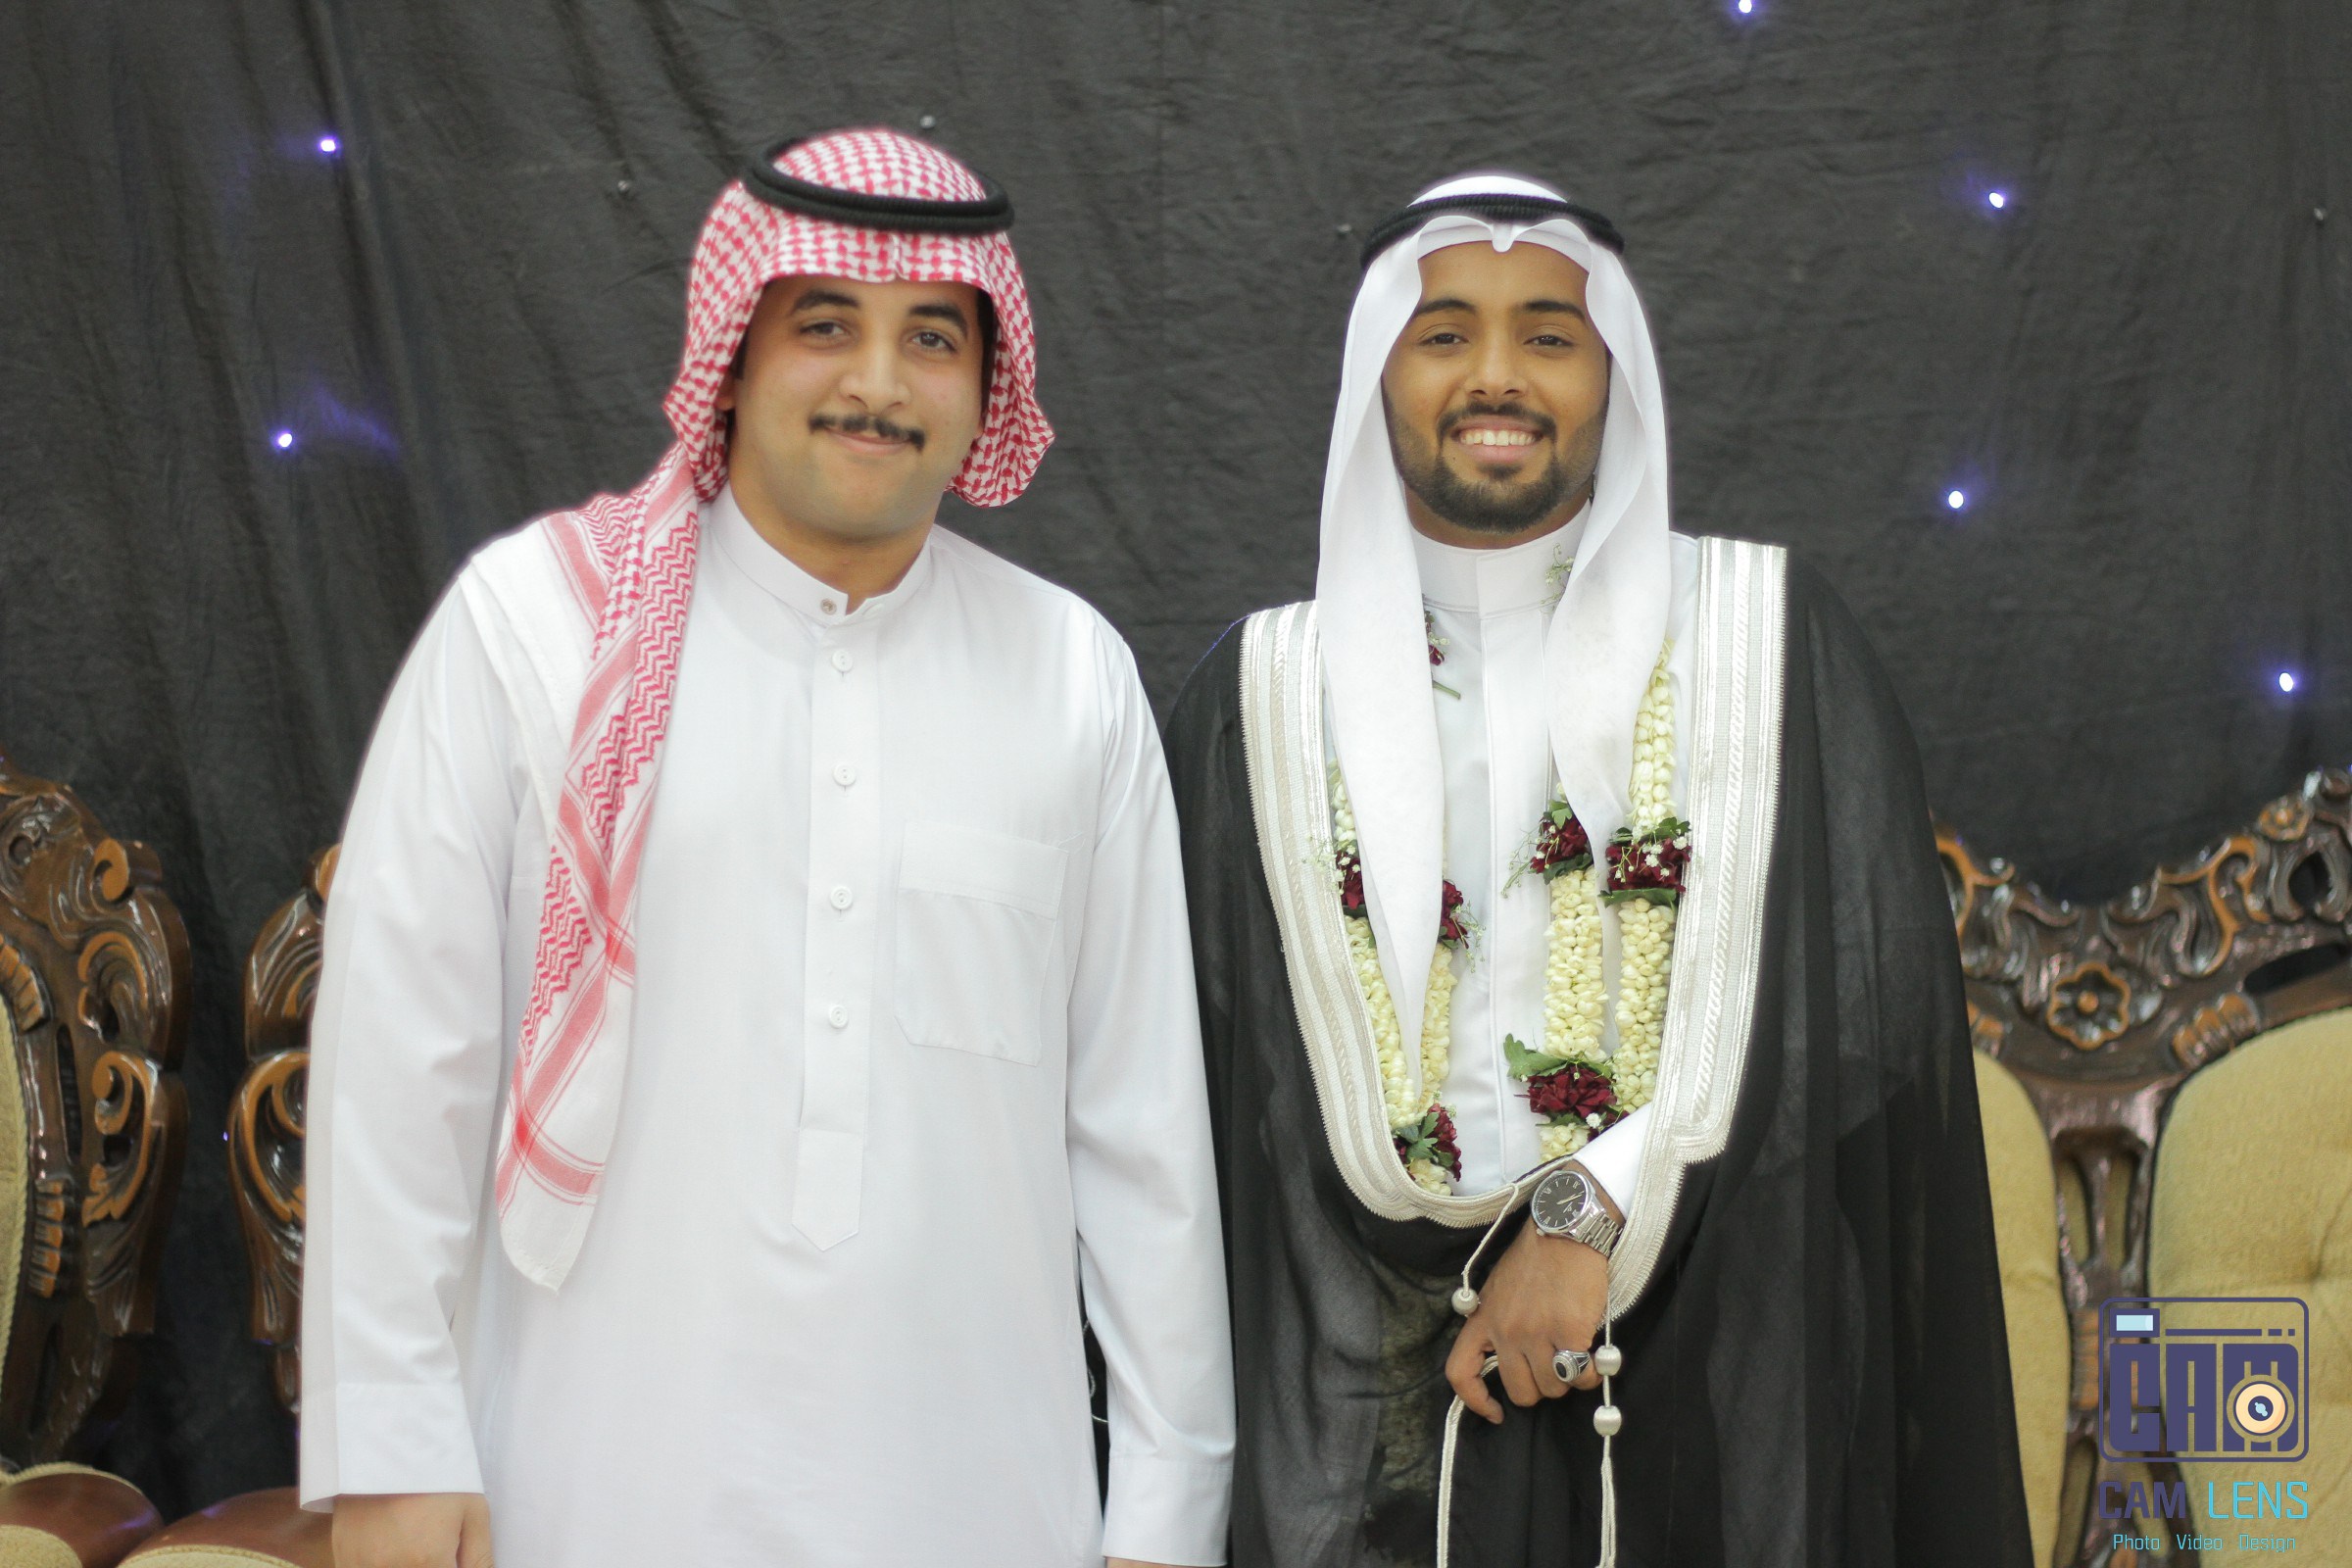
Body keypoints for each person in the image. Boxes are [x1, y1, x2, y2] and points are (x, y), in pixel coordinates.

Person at [303, 127, 1233, 1568]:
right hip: (586, 1493)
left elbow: (1142, 1133)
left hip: (981, 1506)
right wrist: (392, 1451)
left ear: (988, 388)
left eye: (932, 338)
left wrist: (1166, 1519)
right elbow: (398, 1066)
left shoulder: (1070, 676)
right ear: (734, 356)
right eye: (826, 326)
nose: (879, 383)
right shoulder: (534, 629)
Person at [1166, 172, 2031, 1567]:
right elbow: (1197, 1090)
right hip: (1371, 1413)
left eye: (1549, 336)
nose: (1496, 376)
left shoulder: (1762, 638)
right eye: (1445, 333)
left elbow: (1861, 1007)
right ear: (1379, 371)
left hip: (1711, 1380)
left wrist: (1592, 1207)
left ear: (1612, 373)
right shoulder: (1257, 701)